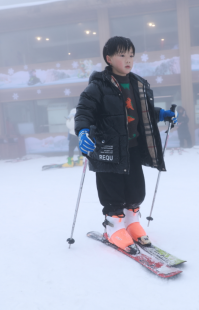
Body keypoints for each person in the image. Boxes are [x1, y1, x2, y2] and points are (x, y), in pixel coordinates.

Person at [75, 36, 177, 255]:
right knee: (112, 190)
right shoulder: (97, 87)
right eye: (122, 55)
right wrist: (83, 130)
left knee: (135, 188)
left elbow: (142, 112)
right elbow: (84, 112)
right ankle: (113, 227)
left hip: (132, 148)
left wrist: (162, 114)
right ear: (109, 58)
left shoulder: (137, 83)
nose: (128, 59)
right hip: (107, 150)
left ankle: (132, 222)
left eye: (131, 55)